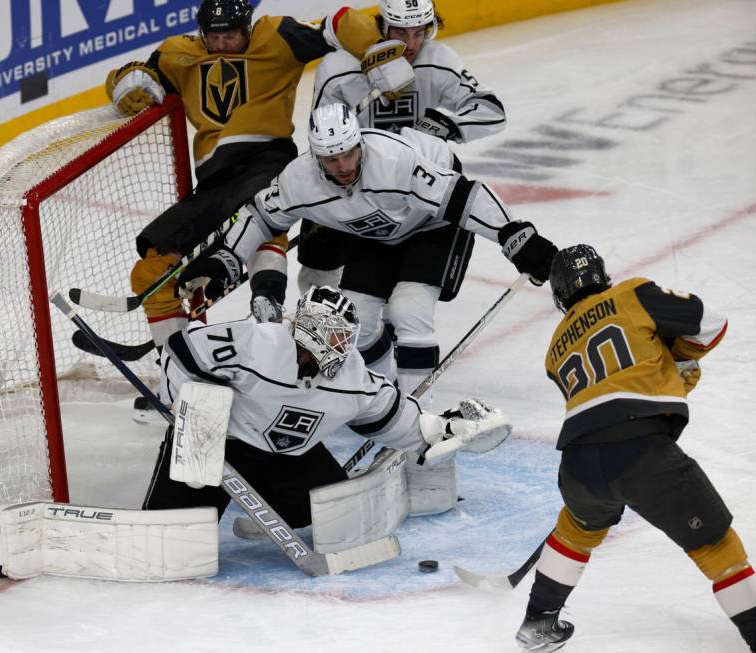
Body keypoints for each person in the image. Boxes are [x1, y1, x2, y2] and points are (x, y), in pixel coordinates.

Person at [175, 102, 557, 408]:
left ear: (360, 143)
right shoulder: (298, 179)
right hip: (374, 230)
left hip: (432, 225)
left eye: (349, 153)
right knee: (353, 324)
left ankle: (418, 416)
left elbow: (464, 197)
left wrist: (515, 237)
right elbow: (259, 216)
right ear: (315, 158)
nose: (343, 166)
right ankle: (382, 400)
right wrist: (222, 260)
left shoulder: (393, 161)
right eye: (331, 159)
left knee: (409, 312)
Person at [104, 0, 416, 350]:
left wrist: (380, 53)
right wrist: (126, 83)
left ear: (247, 28)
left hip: (267, 160)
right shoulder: (178, 54)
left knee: (263, 208)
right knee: (150, 267)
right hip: (215, 183)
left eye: (231, 36)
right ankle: (173, 361)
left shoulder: (276, 37)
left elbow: (338, 22)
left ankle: (267, 301)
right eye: (213, 37)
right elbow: (138, 75)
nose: (221, 44)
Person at [514, 244, 755, 652]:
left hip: (578, 465)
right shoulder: (631, 294)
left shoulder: (554, 350)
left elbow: (606, 388)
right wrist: (677, 360)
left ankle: (537, 623)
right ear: (603, 278)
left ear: (559, 296)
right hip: (640, 451)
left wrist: (663, 373)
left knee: (574, 532)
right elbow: (711, 324)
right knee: (716, 546)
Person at [145, 285, 505, 528]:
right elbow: (181, 349)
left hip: (285, 457)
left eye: (344, 337)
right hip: (218, 443)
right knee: (174, 528)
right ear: (305, 329)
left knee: (321, 512)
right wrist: (194, 425)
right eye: (332, 335)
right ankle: (190, 489)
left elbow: (392, 415)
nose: (340, 346)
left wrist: (443, 430)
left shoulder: (352, 376)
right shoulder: (256, 344)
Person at [298, 0, 507, 295]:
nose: (411, 44)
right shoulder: (338, 68)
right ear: (382, 26)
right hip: (348, 178)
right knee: (317, 260)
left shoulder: (439, 59)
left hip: (410, 183)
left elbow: (491, 110)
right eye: (401, 32)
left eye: (419, 33)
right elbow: (320, 139)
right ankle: (320, 322)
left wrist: (449, 125)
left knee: (392, 279)